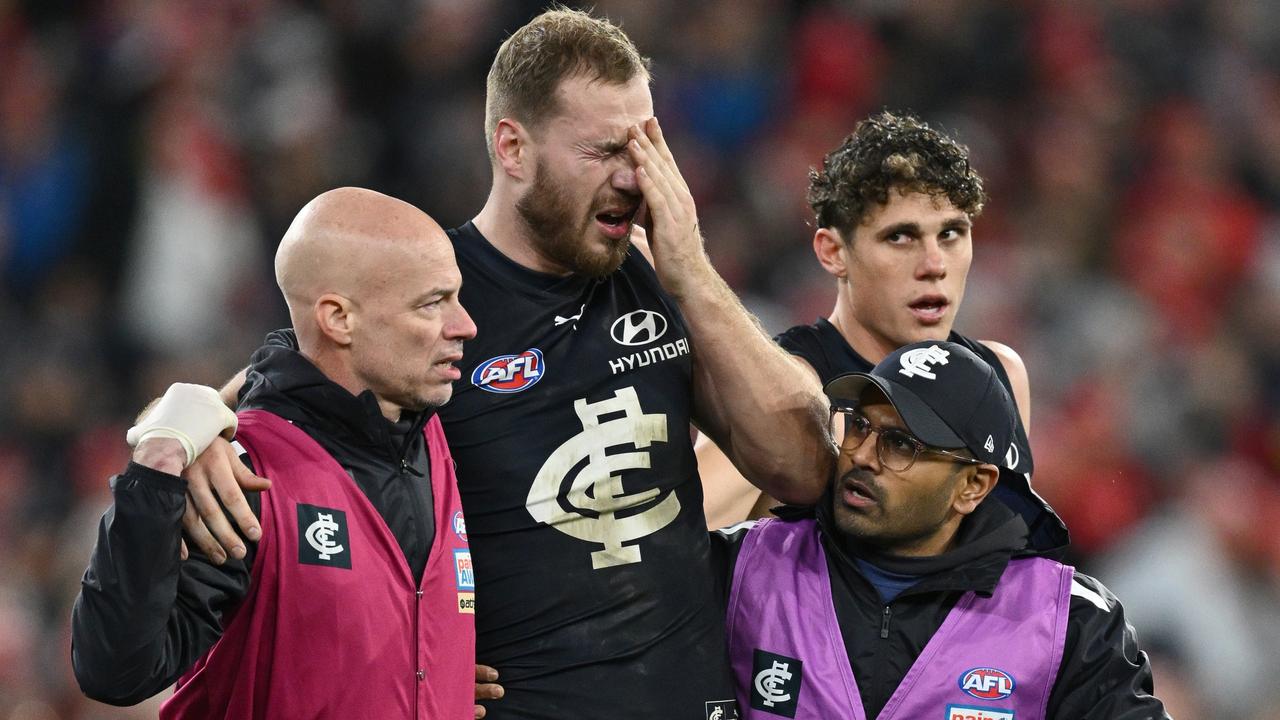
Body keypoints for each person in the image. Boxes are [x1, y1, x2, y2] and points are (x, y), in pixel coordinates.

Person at [173, 9, 829, 719]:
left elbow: (801, 467)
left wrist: (695, 274)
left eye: (646, 148)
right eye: (605, 151)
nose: (635, 179)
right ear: (512, 148)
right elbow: (252, 410)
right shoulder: (429, 300)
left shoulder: (663, 277)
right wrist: (190, 432)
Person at [71, 187, 481, 718]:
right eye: (432, 303)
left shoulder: (435, 429)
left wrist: (424, 671)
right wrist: (159, 462)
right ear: (338, 319)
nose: (465, 325)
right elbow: (114, 670)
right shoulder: (238, 478)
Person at [714, 340, 1171, 719]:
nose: (862, 456)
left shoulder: (1070, 624)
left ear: (972, 486)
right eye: (859, 426)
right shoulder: (742, 564)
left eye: (900, 444)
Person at [700, 112, 1065, 556]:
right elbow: (672, 547)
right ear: (833, 252)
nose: (935, 264)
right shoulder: (788, 391)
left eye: (951, 233)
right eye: (901, 237)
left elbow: (1001, 558)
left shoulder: (999, 375)